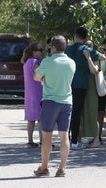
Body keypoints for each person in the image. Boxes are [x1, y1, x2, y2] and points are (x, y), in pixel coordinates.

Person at [33, 35, 75, 177]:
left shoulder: (47, 61)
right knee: (64, 136)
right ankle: (62, 168)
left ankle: (44, 167)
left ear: (54, 47)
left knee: (47, 136)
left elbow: (36, 77)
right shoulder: (71, 63)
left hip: (50, 101)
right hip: (67, 102)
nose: (49, 48)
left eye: (51, 46)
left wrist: (45, 76)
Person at [65, 27, 105, 150]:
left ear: (75, 36)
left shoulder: (68, 49)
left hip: (67, 83)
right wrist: (90, 58)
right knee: (77, 113)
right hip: (81, 84)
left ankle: (66, 139)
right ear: (85, 38)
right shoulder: (86, 49)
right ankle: (74, 141)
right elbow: (103, 57)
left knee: (67, 112)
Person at [20, 42, 43, 147]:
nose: (42, 53)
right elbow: (39, 75)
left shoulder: (26, 62)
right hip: (37, 91)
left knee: (31, 119)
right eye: (40, 50)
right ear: (34, 52)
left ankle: (30, 140)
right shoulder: (35, 62)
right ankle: (43, 140)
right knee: (40, 118)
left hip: (29, 92)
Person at [79, 40, 101, 147]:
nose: (87, 47)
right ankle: (78, 139)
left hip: (91, 87)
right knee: (79, 113)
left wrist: (89, 58)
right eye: (85, 45)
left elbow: (94, 70)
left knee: (92, 112)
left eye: (89, 46)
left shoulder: (95, 58)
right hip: (80, 86)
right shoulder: (79, 58)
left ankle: (96, 139)